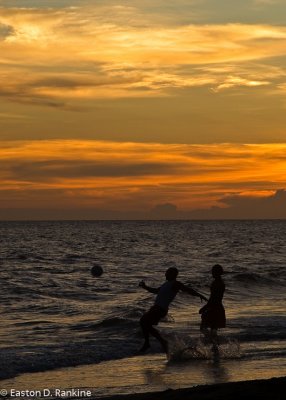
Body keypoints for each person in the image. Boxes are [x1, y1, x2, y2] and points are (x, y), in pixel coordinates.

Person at [139, 267, 207, 353]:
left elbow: (187, 289)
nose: (165, 274)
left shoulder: (175, 284)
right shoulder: (166, 284)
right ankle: (157, 342)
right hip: (156, 308)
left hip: (160, 309)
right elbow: (156, 291)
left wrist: (199, 295)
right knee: (145, 323)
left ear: (172, 274)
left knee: (144, 322)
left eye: (167, 273)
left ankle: (155, 342)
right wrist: (145, 287)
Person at [199, 264, 226, 349]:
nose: (212, 273)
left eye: (213, 271)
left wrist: (205, 307)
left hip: (214, 307)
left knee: (203, 327)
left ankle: (212, 342)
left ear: (217, 272)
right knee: (213, 328)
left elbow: (213, 298)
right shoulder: (220, 282)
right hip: (218, 307)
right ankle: (214, 345)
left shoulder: (217, 283)